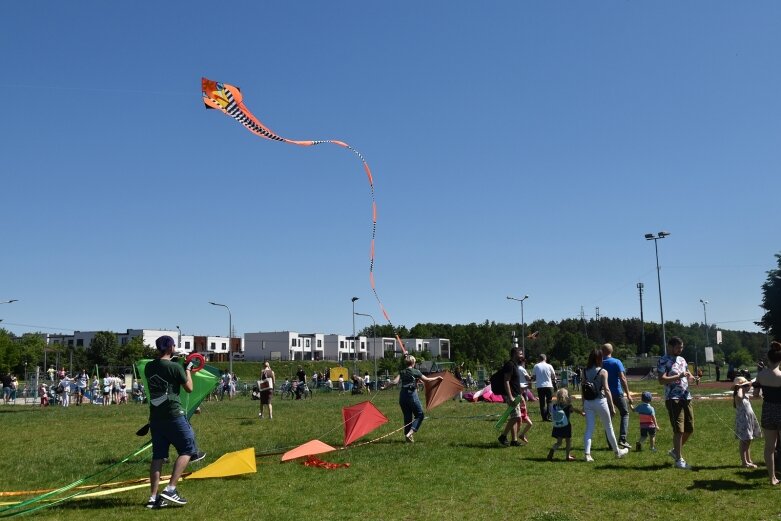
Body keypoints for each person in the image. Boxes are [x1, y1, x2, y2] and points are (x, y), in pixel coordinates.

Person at [145, 335, 198, 508]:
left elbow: (163, 372)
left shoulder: (148, 366)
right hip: (173, 415)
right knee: (188, 448)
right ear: (169, 348)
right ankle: (170, 489)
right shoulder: (175, 367)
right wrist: (188, 369)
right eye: (173, 345)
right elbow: (189, 388)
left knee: (158, 456)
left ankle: (153, 498)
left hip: (155, 418)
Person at [582, 348, 629, 461]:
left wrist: (583, 404)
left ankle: (587, 454)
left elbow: (583, 389)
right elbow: (607, 390)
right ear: (599, 358)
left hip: (588, 402)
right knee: (609, 427)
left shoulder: (584, 371)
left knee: (589, 428)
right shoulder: (603, 372)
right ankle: (617, 452)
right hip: (600, 401)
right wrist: (612, 406)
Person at [383, 355, 442, 442]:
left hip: (402, 396)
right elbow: (427, 380)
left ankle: (408, 438)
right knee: (420, 415)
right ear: (413, 363)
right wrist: (437, 378)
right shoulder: (416, 371)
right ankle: (410, 433)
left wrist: (385, 387)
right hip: (411, 395)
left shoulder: (402, 372)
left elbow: (394, 382)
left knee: (407, 417)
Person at [658, 336, 695, 470]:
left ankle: (675, 451)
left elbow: (688, 376)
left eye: (681, 347)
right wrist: (678, 376)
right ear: (671, 347)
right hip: (673, 398)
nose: (680, 349)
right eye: (678, 347)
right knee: (679, 430)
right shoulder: (663, 360)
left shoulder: (682, 360)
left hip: (686, 397)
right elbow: (661, 380)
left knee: (690, 429)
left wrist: (693, 378)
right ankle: (679, 459)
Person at [755, 341, 781, 485]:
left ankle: (772, 478)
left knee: (769, 447)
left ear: (768, 358)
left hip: (767, 410)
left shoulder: (761, 375)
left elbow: (756, 394)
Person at [601, 343, 633, 449]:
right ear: (612, 351)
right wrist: (628, 393)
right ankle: (622, 439)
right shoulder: (616, 362)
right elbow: (623, 378)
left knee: (608, 417)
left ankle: (611, 443)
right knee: (625, 413)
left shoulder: (599, 363)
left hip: (604, 394)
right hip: (617, 392)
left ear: (602, 351)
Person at [497, 348, 526, 447]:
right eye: (520, 354)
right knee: (516, 417)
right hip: (511, 396)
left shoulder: (515, 365)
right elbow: (506, 381)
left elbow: (514, 383)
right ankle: (503, 436)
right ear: (514, 354)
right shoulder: (509, 365)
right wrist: (510, 396)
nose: (522, 355)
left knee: (514, 417)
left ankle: (514, 440)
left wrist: (520, 395)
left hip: (516, 395)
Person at [548, 387, 584, 461]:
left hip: (557, 426)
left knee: (559, 442)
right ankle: (568, 456)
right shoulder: (568, 406)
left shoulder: (555, 405)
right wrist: (581, 413)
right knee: (568, 441)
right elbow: (574, 410)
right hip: (566, 426)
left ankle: (552, 450)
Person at [732, 376, 761, 468]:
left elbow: (757, 396)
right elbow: (740, 396)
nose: (748, 387)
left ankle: (749, 460)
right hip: (743, 421)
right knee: (744, 441)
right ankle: (744, 462)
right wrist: (739, 387)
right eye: (745, 386)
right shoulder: (738, 396)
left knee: (748, 440)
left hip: (749, 420)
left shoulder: (746, 395)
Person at [533, 354, 557, 421]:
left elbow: (534, 377)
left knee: (542, 402)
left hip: (540, 386)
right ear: (545, 358)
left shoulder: (536, 366)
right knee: (549, 401)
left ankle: (544, 417)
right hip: (549, 385)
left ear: (539, 359)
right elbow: (553, 376)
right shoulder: (549, 366)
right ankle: (549, 416)